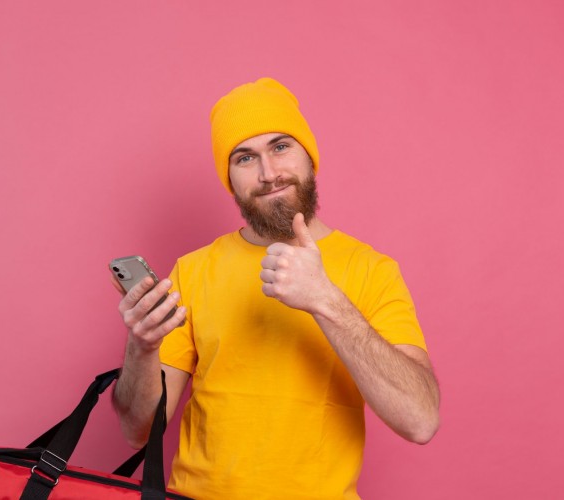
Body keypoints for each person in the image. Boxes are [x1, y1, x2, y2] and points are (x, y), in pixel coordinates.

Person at [112, 77, 440, 499]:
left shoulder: (372, 270)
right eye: (245, 158)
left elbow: (421, 420)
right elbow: (137, 431)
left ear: (310, 156)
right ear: (230, 178)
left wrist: (326, 300)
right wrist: (140, 347)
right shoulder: (193, 270)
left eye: (281, 147)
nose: (269, 174)